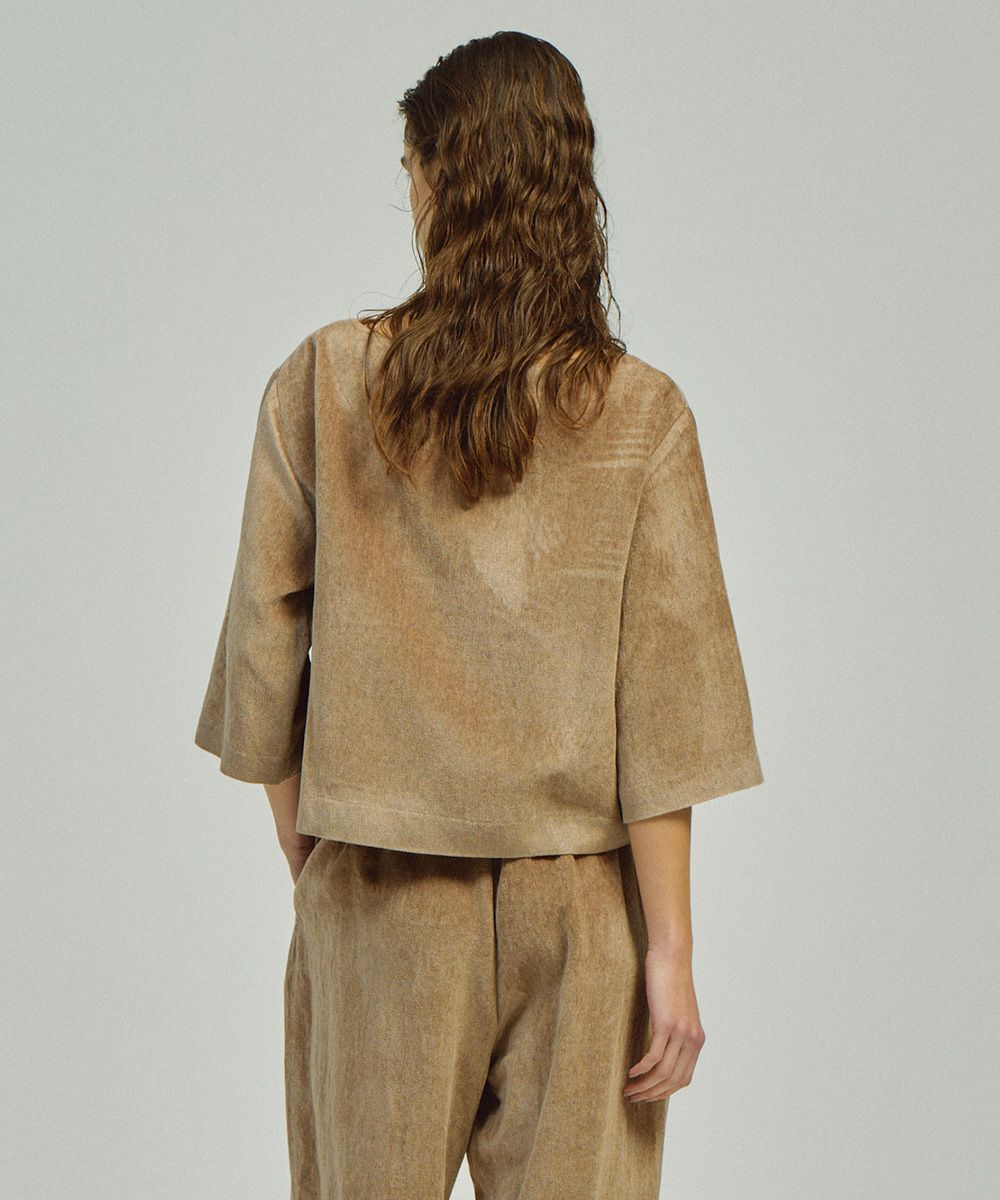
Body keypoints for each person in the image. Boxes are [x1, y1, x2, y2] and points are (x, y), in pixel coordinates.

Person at [194, 30, 763, 1200]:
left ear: (441, 179)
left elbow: (263, 649)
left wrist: (312, 849)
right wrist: (669, 953)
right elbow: (668, 709)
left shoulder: (326, 382)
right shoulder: (641, 413)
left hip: (380, 890)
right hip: (584, 909)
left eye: (412, 169)